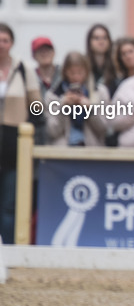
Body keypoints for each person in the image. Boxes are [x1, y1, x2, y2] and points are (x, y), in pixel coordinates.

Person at [0, 23, 43, 244]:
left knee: (9, 205)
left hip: (13, 144)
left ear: (12, 43)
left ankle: (8, 250)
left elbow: (36, 105)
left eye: (5, 40)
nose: (1, 45)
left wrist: (28, 126)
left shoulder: (23, 69)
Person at [45, 52, 110, 147]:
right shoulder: (53, 95)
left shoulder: (99, 92)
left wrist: (90, 110)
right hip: (63, 150)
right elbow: (52, 131)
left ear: (87, 71)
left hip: (91, 149)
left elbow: (104, 129)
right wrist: (62, 107)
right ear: (65, 72)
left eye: (80, 72)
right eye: (72, 73)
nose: (76, 77)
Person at [86, 23, 118, 94]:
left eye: (105, 38)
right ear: (89, 42)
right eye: (96, 38)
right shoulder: (83, 65)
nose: (101, 41)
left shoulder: (116, 65)